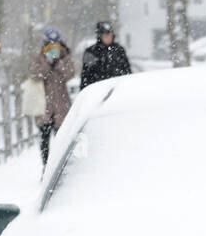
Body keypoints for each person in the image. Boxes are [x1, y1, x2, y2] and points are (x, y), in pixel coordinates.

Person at [31, 27, 75, 167]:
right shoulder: (39, 58)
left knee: (62, 139)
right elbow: (35, 75)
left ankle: (61, 167)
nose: (53, 48)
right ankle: (46, 167)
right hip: (44, 106)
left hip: (61, 106)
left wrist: (59, 64)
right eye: (50, 45)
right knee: (44, 141)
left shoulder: (65, 57)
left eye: (55, 44)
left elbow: (70, 73)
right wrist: (47, 63)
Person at [81, 21, 132, 89]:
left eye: (109, 34)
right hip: (98, 90)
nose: (108, 37)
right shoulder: (91, 52)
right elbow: (86, 76)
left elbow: (127, 71)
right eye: (105, 35)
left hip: (118, 89)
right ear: (100, 36)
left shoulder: (119, 50)